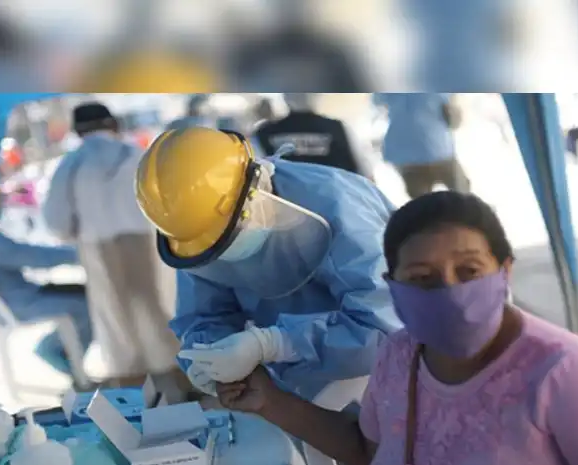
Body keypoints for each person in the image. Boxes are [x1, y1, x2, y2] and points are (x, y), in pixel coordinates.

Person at [218, 191, 578, 465]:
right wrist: (270, 401)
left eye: (469, 271)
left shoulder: (567, 373)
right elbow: (373, 451)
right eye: (422, 278)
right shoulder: (399, 355)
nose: (449, 290)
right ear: (393, 286)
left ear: (505, 271)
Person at [134, 126, 401, 404]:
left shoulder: (340, 205)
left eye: (232, 233)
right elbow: (202, 316)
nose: (226, 255)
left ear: (258, 182)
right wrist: (208, 359)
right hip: (285, 386)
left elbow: (385, 326)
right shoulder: (194, 235)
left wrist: (278, 344)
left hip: (374, 373)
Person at [40, 102, 184, 394]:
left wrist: (73, 232)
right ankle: (179, 381)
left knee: (115, 318)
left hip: (98, 245)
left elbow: (56, 221)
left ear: (77, 130)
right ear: (113, 124)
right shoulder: (136, 154)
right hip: (146, 239)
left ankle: (133, 388)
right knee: (158, 307)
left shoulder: (72, 163)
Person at [0, 176, 92, 382]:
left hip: (18, 297)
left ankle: (61, 352)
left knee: (84, 293)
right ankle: (54, 349)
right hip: (22, 304)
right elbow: (36, 258)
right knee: (88, 304)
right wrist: (82, 254)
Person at [252, 93, 376, 182]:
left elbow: (253, 179)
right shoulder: (340, 129)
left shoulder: (263, 134)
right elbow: (367, 177)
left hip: (281, 208)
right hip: (336, 207)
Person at [372, 93, 470, 199]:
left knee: (423, 202)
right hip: (437, 150)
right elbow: (454, 117)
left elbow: (378, 101)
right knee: (463, 194)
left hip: (406, 154)